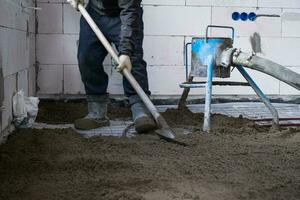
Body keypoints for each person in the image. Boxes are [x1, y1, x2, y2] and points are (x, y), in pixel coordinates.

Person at [68, 0, 157, 133]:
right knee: (87, 57)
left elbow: (130, 12)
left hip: (124, 15)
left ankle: (141, 111)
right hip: (94, 13)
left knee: (133, 60)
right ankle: (97, 113)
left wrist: (125, 52)